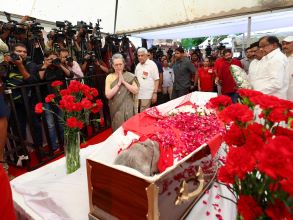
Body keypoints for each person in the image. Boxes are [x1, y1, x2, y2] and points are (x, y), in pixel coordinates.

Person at [105, 53, 139, 131]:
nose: (118, 67)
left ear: (124, 64)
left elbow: (135, 91)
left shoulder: (130, 76)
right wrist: (118, 84)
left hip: (129, 107)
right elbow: (108, 95)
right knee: (118, 130)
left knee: (130, 131)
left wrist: (124, 82)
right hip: (116, 109)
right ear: (113, 66)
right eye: (116, 65)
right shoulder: (109, 77)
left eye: (120, 64)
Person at [135, 47, 159, 112]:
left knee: (144, 113)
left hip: (147, 95)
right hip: (138, 94)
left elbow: (156, 80)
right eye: (138, 56)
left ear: (146, 55)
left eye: (142, 55)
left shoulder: (152, 64)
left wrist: (155, 93)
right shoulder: (138, 66)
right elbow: (136, 79)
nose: (140, 57)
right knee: (138, 112)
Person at [282, 36, 293, 101]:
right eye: (283, 44)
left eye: (288, 43)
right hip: (283, 90)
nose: (285, 46)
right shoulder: (281, 58)